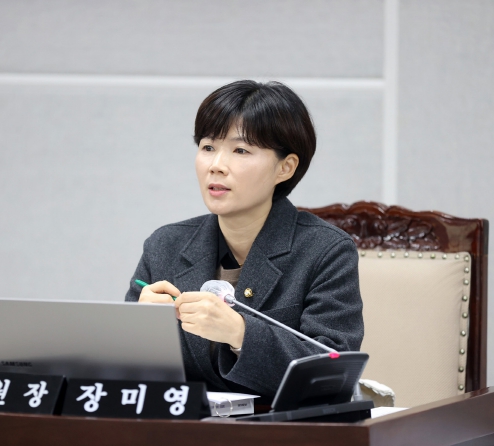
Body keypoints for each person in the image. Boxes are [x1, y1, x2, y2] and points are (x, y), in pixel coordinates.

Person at [125, 80, 363, 398]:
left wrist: (239, 333)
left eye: (240, 150)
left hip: (280, 426)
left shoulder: (325, 251)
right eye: (208, 147)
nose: (216, 166)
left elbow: (332, 374)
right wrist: (140, 330)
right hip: (185, 424)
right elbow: (120, 372)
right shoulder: (165, 245)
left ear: (285, 167)